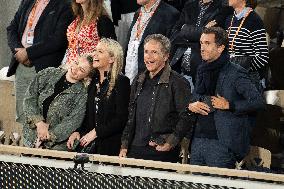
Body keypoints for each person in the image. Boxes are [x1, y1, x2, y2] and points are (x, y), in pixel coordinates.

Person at [188, 27, 265, 168]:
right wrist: (192, 105)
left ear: (221, 47)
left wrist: (230, 105)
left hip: (221, 144)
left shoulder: (236, 73)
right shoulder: (201, 70)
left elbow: (258, 102)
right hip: (197, 140)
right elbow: (195, 97)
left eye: (207, 43)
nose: (202, 48)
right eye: (201, 43)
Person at [119, 34, 191, 163]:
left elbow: (186, 116)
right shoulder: (138, 80)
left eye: (154, 52)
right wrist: (125, 144)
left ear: (166, 56)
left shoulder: (178, 82)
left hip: (161, 150)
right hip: (135, 148)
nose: (148, 57)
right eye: (146, 52)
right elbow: (130, 115)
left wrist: (170, 142)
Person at [6, 0, 73, 122]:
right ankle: (25, 141)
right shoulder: (27, 2)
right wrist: (19, 51)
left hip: (44, 68)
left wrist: (28, 53)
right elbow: (12, 28)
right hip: (21, 66)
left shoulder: (65, 5)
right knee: (22, 115)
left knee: (42, 117)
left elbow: (58, 40)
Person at [67, 38, 130, 156]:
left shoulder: (122, 82)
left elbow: (121, 119)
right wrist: (78, 132)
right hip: (90, 145)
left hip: (110, 147)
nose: (94, 54)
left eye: (100, 52)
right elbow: (89, 116)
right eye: (95, 50)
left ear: (112, 59)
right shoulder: (93, 81)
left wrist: (96, 132)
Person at [22, 55, 94, 150]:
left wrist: (48, 136)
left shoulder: (82, 95)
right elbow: (30, 98)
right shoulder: (48, 73)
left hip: (55, 146)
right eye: (76, 63)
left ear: (86, 77)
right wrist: (39, 122)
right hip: (30, 136)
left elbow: (72, 122)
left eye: (82, 70)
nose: (75, 69)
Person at [169, 0, 232, 92]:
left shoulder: (224, 8)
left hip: (203, 67)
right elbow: (175, 32)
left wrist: (186, 31)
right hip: (179, 64)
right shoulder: (189, 5)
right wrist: (203, 30)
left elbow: (213, 38)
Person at [124, 0, 179, 83]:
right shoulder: (138, 13)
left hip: (151, 82)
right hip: (130, 78)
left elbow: (171, 51)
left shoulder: (170, 14)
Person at [226, 0, 269, 89]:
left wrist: (242, 69)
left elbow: (262, 57)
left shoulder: (254, 20)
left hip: (247, 79)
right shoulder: (229, 19)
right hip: (229, 75)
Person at [65, 0, 116, 65]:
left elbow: (111, 51)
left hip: (91, 68)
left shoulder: (103, 20)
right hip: (70, 67)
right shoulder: (76, 18)